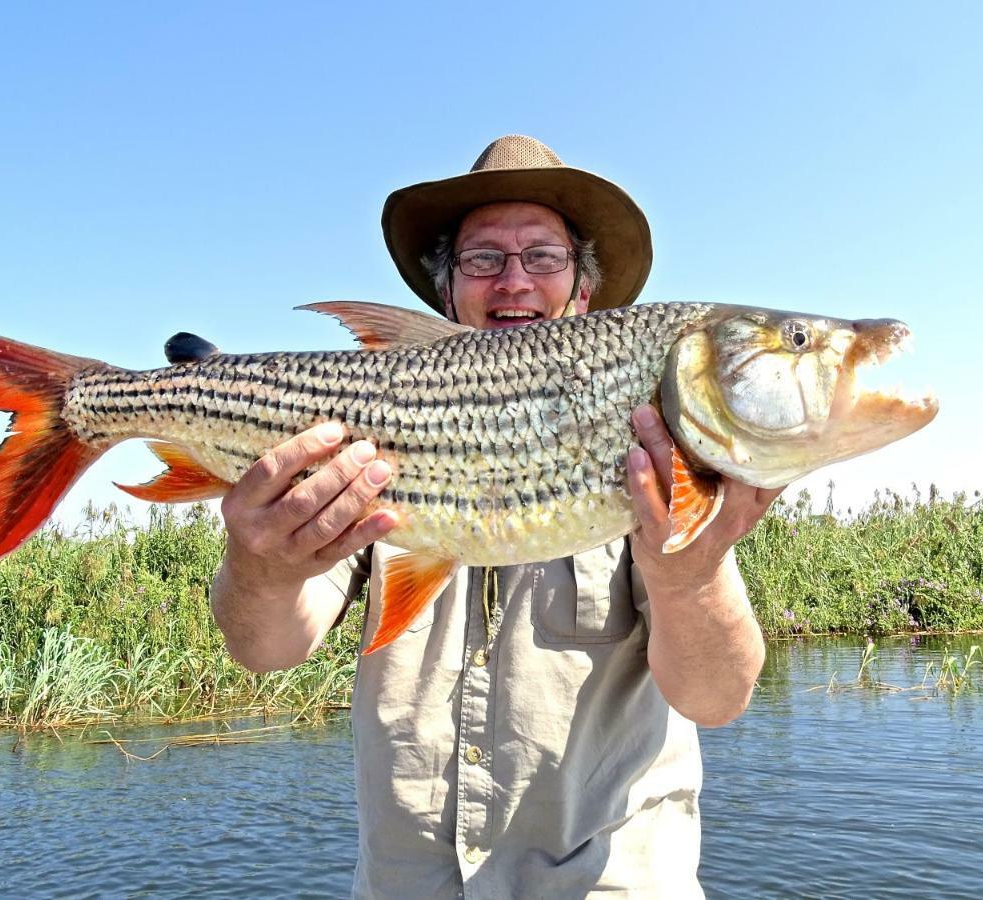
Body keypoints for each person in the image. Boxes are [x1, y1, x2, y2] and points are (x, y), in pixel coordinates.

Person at [210, 135, 781, 898]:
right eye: (483, 260)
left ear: (582, 292)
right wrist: (259, 565)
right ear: (447, 296)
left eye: (542, 256)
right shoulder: (367, 443)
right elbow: (267, 649)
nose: (513, 280)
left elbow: (718, 698)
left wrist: (692, 577)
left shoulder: (653, 439)